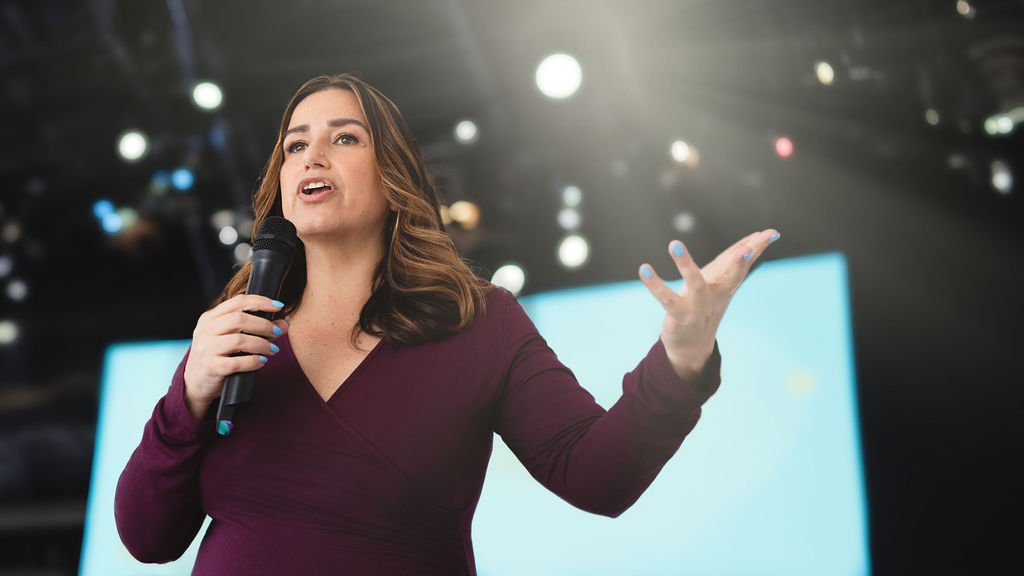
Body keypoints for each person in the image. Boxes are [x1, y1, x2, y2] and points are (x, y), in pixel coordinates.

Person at [114, 73, 780, 575]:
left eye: (345, 137)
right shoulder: (236, 335)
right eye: (294, 145)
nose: (311, 155)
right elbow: (148, 538)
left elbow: (596, 477)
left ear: (393, 175)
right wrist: (189, 396)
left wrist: (682, 360)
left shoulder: (479, 323)